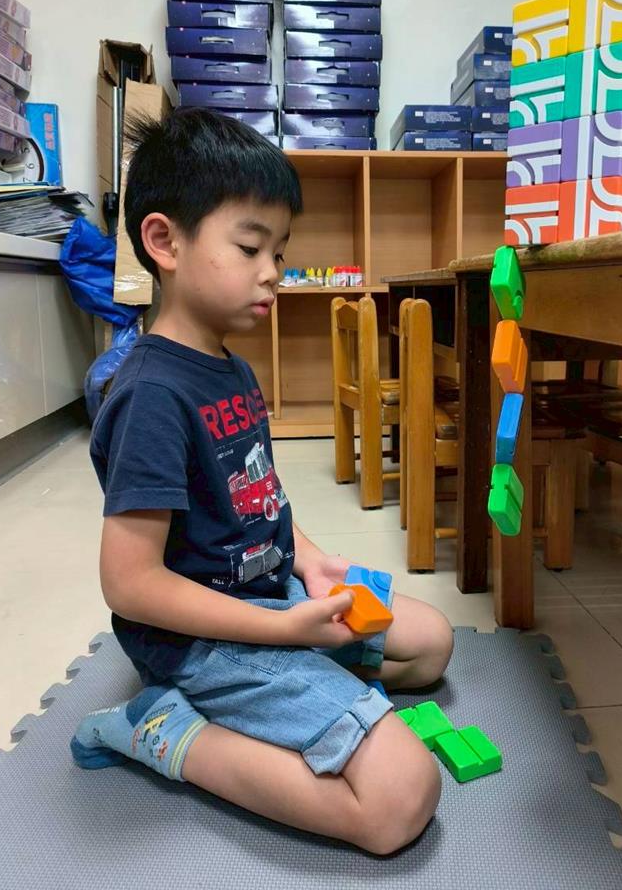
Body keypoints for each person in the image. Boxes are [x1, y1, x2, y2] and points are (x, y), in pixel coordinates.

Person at [71, 110, 454, 855]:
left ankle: (291, 685)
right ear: (164, 242)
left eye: (279, 251)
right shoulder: (150, 397)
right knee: (402, 798)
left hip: (269, 595)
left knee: (432, 645)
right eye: (250, 247)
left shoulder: (233, 369)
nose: (273, 270)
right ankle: (163, 730)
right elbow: (130, 584)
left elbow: (261, 494)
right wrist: (282, 632)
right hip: (199, 639)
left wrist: (311, 560)